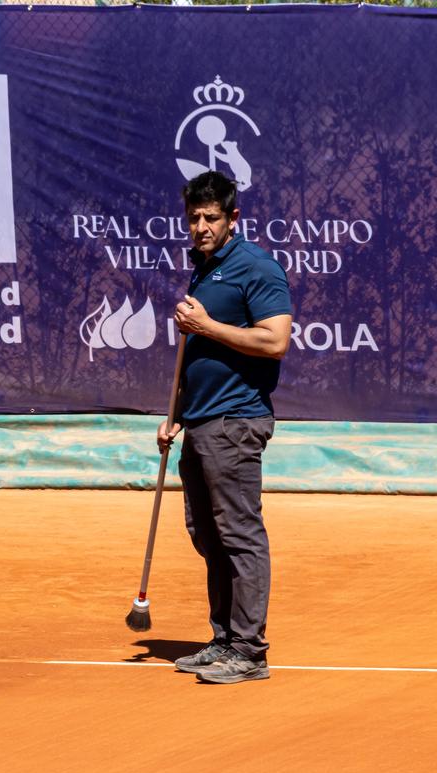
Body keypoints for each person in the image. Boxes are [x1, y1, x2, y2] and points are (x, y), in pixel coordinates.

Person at [158, 170, 292, 685]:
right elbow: (198, 357)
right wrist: (174, 417)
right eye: (193, 217)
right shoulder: (205, 269)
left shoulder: (257, 267)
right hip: (201, 422)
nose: (200, 226)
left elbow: (275, 341)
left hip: (236, 422)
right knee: (207, 533)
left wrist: (206, 326)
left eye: (210, 217)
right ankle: (224, 639)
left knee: (239, 534)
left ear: (233, 218)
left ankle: (250, 651)